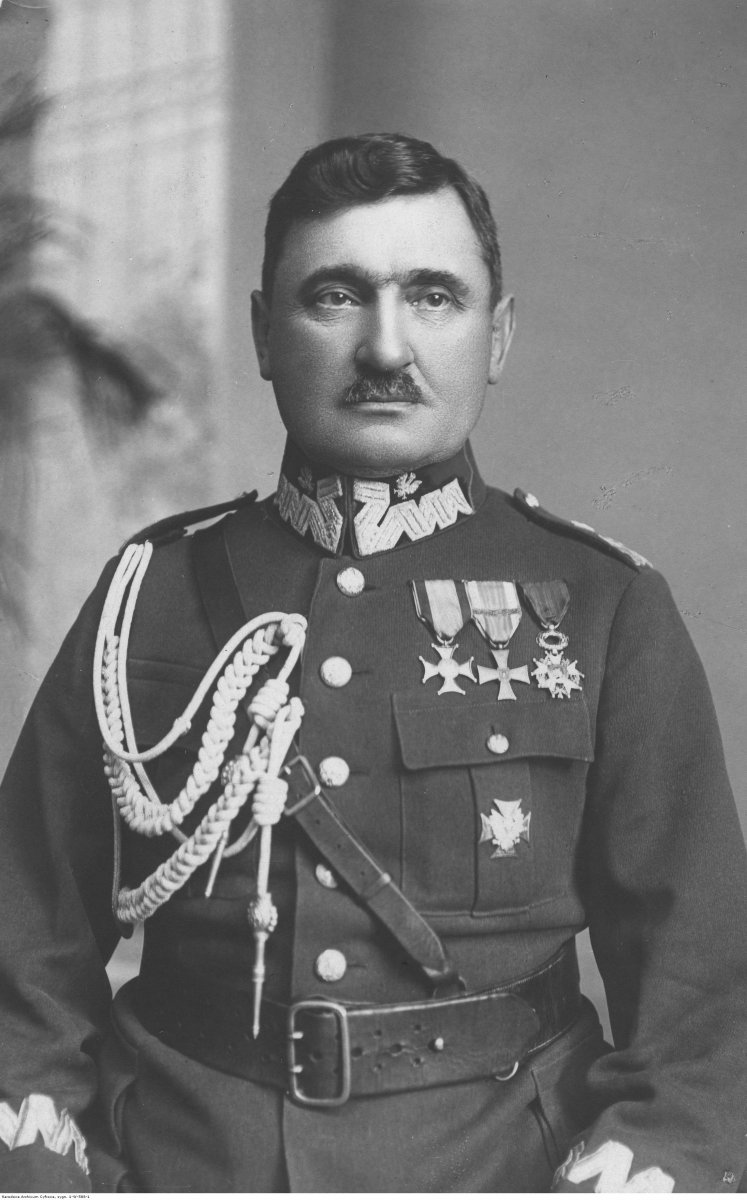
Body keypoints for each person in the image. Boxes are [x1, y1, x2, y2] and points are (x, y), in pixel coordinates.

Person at [0, 132, 745, 1194]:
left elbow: (705, 1012)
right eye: (336, 296)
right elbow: (21, 946)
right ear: (264, 332)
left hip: (501, 1166)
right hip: (175, 1159)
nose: (386, 349)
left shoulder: (602, 606)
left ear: (497, 335)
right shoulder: (150, 592)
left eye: (434, 297)